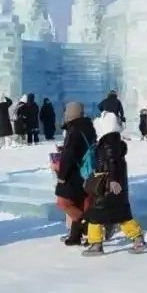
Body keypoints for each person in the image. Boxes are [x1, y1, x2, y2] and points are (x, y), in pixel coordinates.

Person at [82, 111, 147, 256]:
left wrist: (112, 180)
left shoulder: (108, 142)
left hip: (107, 187)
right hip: (115, 187)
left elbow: (111, 162)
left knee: (95, 215)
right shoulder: (115, 141)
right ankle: (138, 240)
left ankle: (96, 244)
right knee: (122, 215)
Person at [56, 102, 97, 245]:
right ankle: (76, 235)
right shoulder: (87, 126)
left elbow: (70, 155)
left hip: (74, 173)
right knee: (80, 202)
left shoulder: (75, 130)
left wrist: (61, 176)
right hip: (85, 171)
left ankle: (88, 226)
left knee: (63, 203)